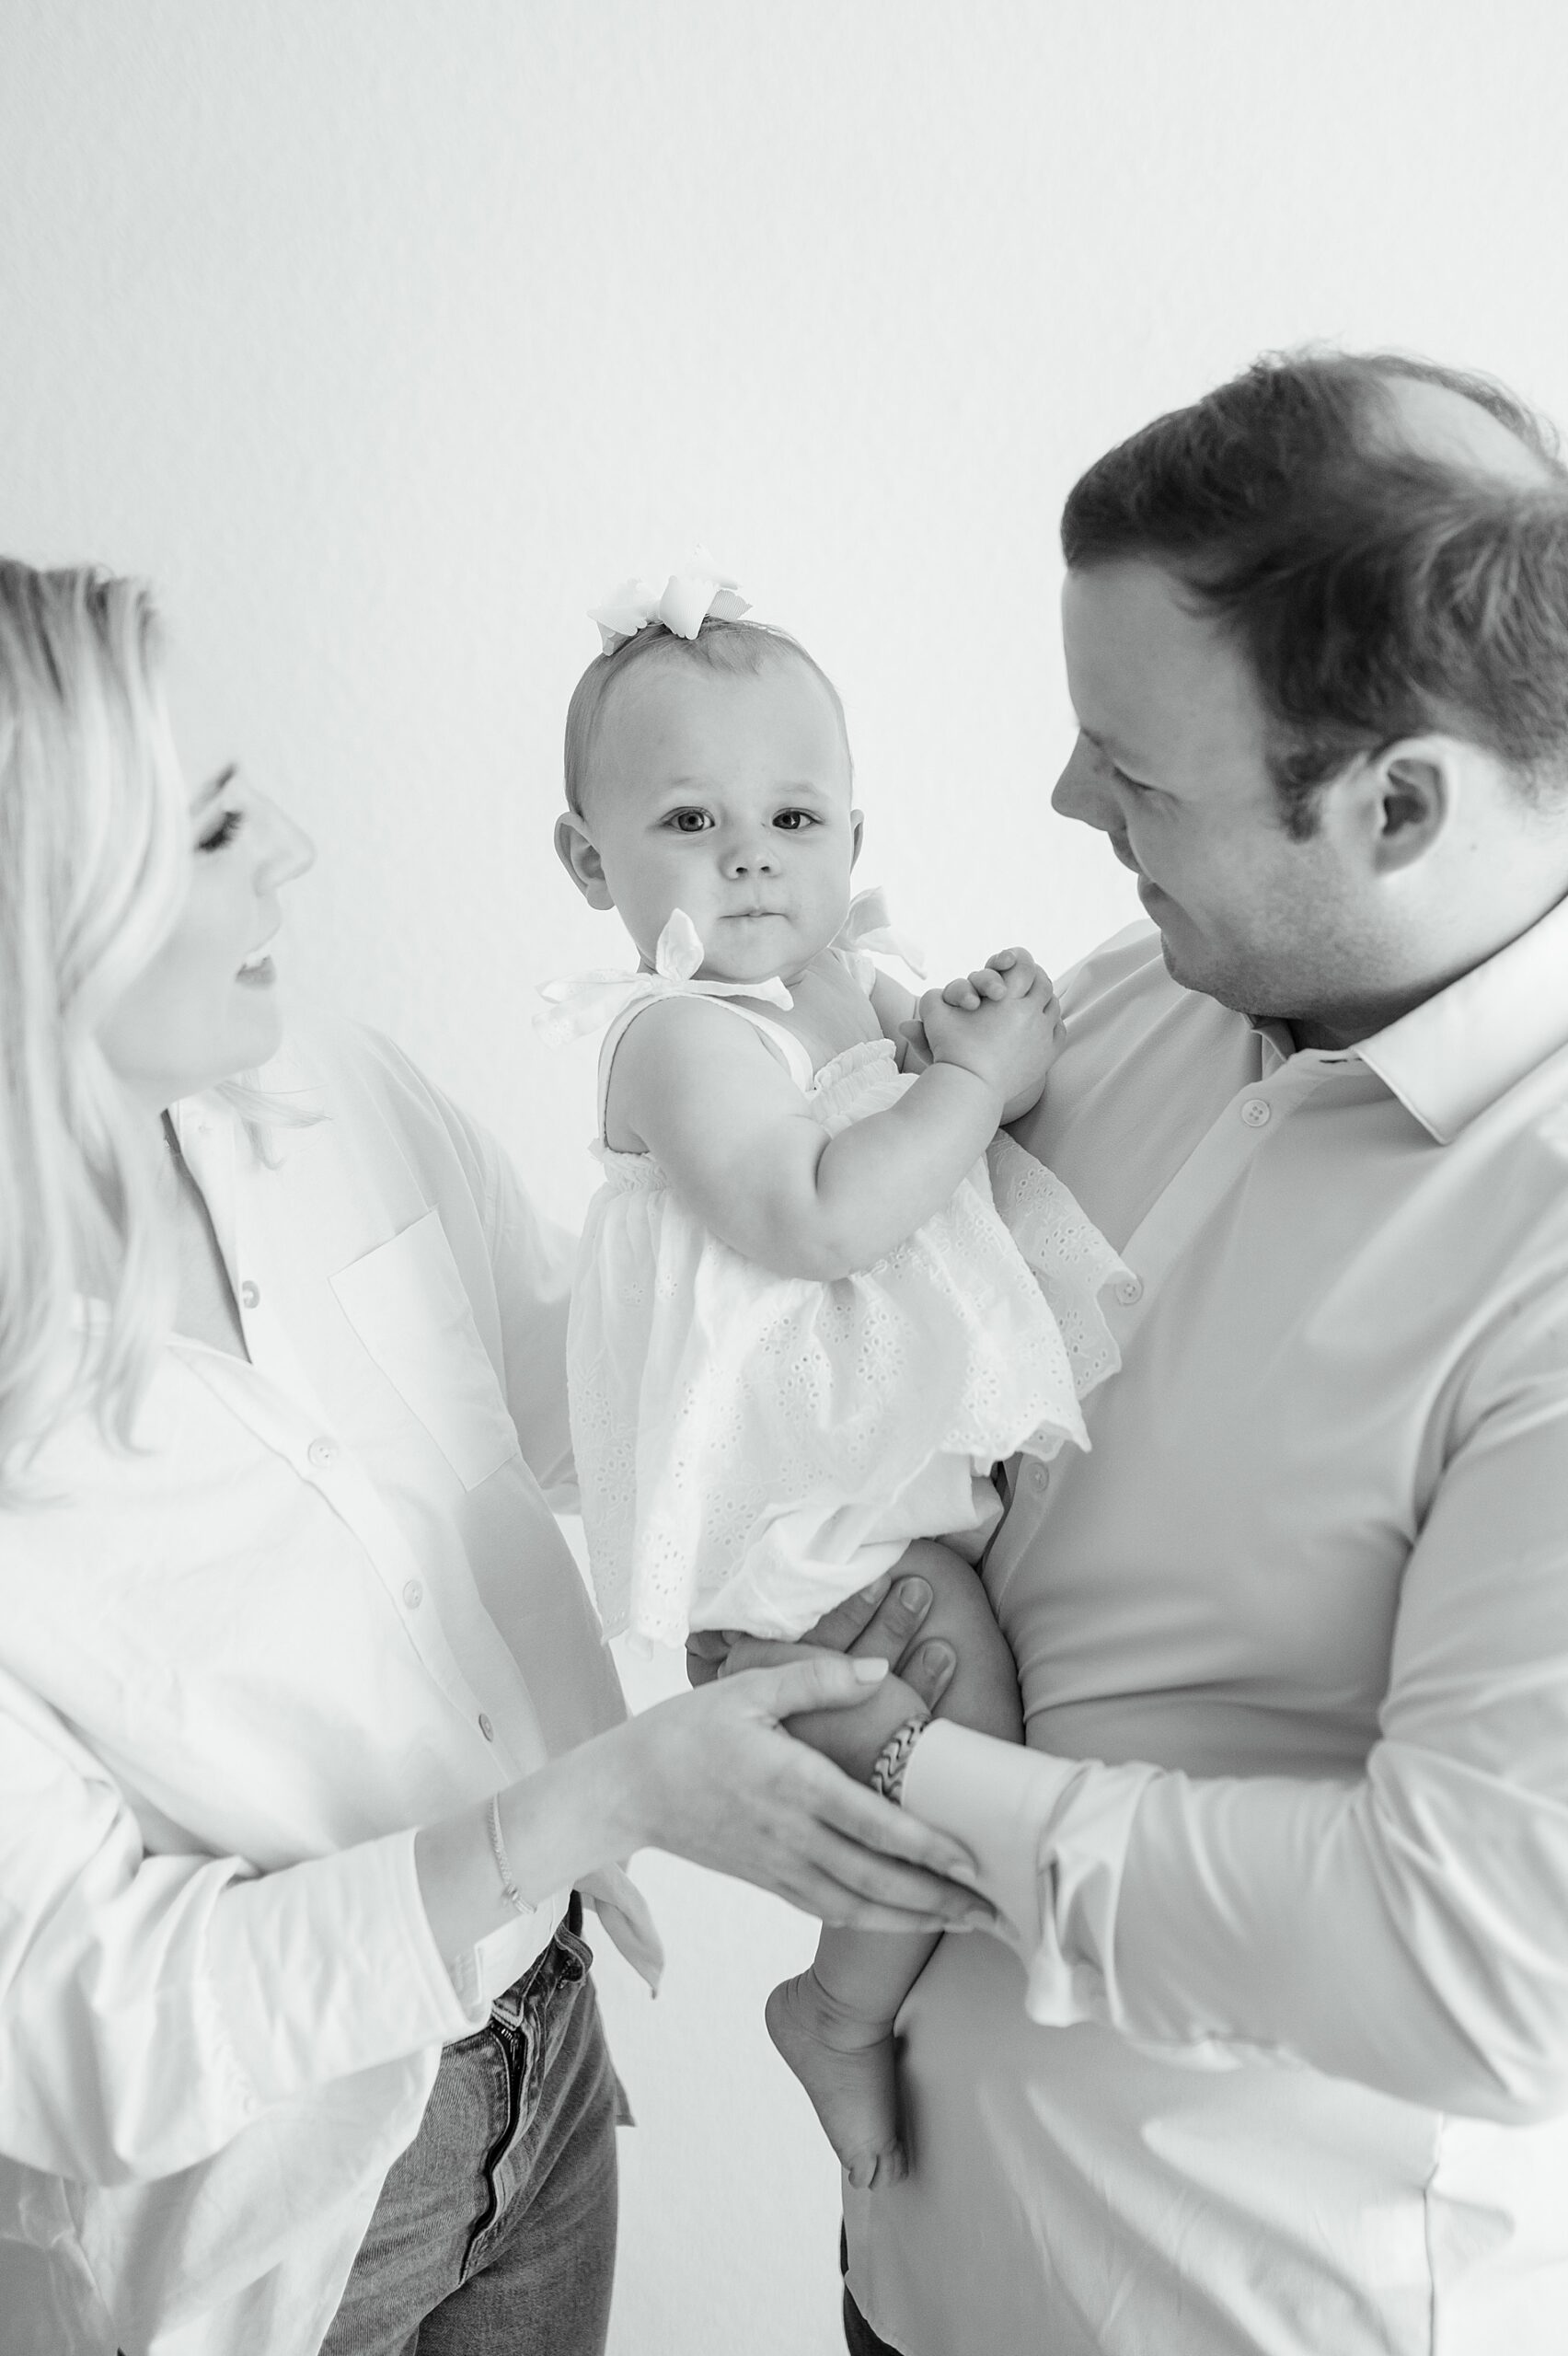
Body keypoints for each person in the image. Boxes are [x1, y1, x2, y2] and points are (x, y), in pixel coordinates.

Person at [0, 557, 988, 2356]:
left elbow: (590, 1412)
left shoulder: (325, 1089)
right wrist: (605, 1797)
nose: (290, 848)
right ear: (43, 904)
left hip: (537, 2056)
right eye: (217, 824)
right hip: (268, 2229)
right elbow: (95, 2029)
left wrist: (863, 1525)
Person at [795, 351, 1568, 2354]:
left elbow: (1475, 1967)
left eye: (1132, 770)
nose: (1067, 803)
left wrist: (897, 1768)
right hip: (912, 2265)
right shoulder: (1137, 998)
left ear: (1397, 800)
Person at [544, 586, 1127, 2192]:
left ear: (853, 836)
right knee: (960, 1743)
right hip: (796, 1528)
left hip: (886, 1499)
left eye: (793, 816)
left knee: (978, 1715)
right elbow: (817, 1220)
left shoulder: (846, 986)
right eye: (688, 819)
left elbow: (948, 1112)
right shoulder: (675, 1036)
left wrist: (965, 1028)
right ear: (592, 864)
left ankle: (919, 1973)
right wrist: (968, 1083)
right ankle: (842, 2011)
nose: (750, 856)